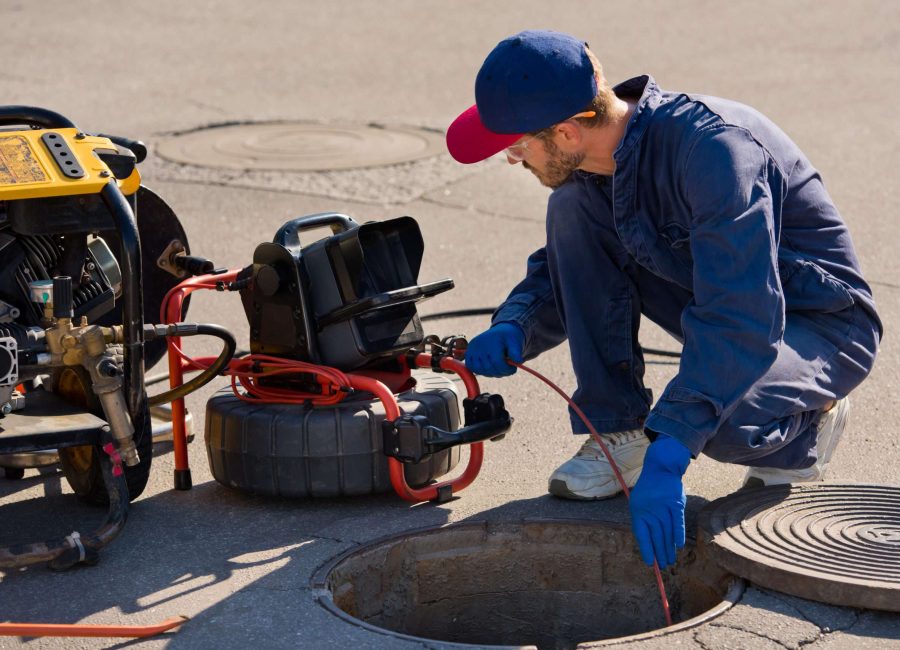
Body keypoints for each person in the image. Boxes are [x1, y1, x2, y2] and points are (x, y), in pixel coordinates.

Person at [446, 30, 882, 570]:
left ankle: (807, 427)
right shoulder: (601, 159)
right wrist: (517, 324)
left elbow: (740, 315)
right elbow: (577, 261)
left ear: (565, 132)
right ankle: (619, 433)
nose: (511, 159)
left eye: (516, 146)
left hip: (820, 324)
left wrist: (672, 451)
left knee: (715, 422)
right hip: (720, 294)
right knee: (572, 211)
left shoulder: (716, 153)